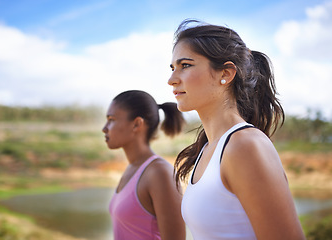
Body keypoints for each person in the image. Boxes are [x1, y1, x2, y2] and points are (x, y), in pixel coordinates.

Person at [168, 19, 306, 240]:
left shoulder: (245, 145)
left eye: (185, 65)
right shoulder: (206, 150)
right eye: (173, 67)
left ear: (226, 73)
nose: (171, 79)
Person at [102, 90, 186, 240]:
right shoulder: (133, 168)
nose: (105, 128)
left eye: (112, 119)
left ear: (137, 124)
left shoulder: (159, 173)